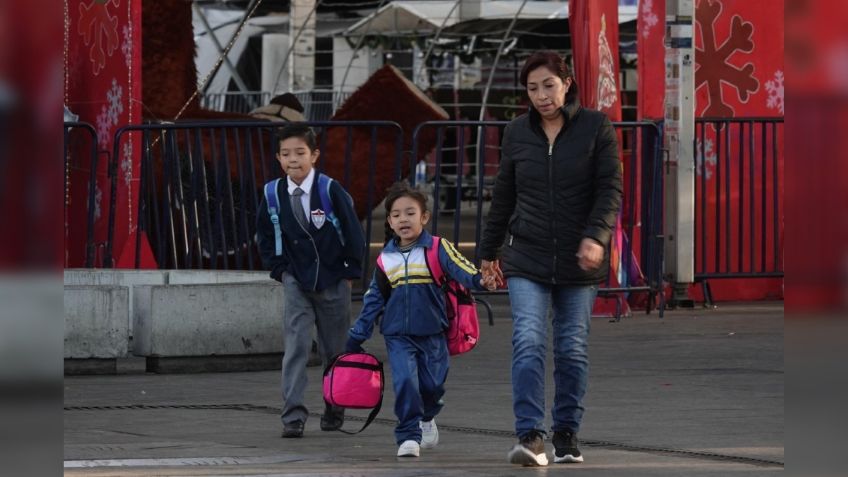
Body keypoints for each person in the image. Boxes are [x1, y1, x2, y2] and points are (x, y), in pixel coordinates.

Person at [478, 50, 622, 466]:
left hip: (580, 260)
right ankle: (530, 436)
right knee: (527, 339)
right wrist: (488, 253)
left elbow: (610, 189)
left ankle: (566, 433)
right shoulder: (517, 132)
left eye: (549, 86)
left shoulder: (597, 127)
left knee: (572, 348)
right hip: (527, 255)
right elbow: (504, 194)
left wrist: (596, 236)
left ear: (567, 83)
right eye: (532, 88)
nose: (541, 96)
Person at [345, 181, 495, 457]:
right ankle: (408, 435)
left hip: (433, 333)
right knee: (405, 382)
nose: (404, 219)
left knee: (432, 386)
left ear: (424, 217)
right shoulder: (385, 259)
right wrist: (358, 333)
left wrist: (480, 280)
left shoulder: (438, 248)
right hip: (397, 335)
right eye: (397, 214)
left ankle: (428, 416)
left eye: (410, 213)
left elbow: (463, 270)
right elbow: (373, 299)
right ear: (389, 221)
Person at [256, 124, 366, 438]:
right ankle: (293, 415)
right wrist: (279, 270)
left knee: (335, 350)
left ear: (314, 155)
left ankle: (335, 406)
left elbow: (353, 233)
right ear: (278, 158)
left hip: (333, 280)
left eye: (300, 153)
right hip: (295, 280)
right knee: (296, 346)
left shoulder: (330, 190)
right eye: (286, 154)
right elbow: (265, 233)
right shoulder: (272, 193)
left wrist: (349, 272)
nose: (294, 160)